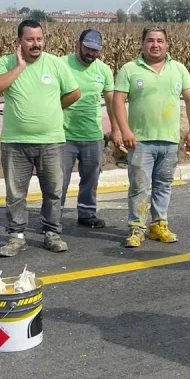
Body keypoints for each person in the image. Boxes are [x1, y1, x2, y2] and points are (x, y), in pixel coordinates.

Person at [0, 19, 81, 257]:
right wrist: (19, 67)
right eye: (30, 39)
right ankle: (16, 236)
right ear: (19, 42)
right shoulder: (6, 63)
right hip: (15, 142)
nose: (36, 44)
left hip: (51, 141)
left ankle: (52, 233)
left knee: (53, 191)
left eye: (39, 39)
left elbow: (74, 93)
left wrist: (53, 108)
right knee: (16, 193)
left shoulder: (55, 64)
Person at [112, 25, 190, 248]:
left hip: (170, 140)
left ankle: (159, 224)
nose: (155, 44)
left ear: (167, 44)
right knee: (139, 186)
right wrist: (125, 130)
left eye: (160, 40)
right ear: (142, 44)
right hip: (140, 140)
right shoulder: (130, 69)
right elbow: (118, 101)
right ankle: (137, 228)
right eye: (150, 40)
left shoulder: (179, 69)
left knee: (163, 185)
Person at [60, 29, 116, 229]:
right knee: (59, 180)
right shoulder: (62, 65)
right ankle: (53, 216)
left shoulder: (104, 70)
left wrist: (115, 130)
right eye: (88, 49)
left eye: (95, 50)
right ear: (78, 44)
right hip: (63, 135)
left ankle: (86, 213)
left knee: (91, 179)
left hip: (93, 135)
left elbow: (111, 103)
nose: (91, 53)